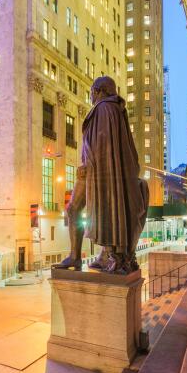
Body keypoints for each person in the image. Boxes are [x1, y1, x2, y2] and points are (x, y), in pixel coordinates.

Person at [55, 76, 149, 274]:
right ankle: (105, 253)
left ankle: (75, 257)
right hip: (102, 172)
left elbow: (99, 145)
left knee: (73, 209)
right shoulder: (116, 110)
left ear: (98, 91)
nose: (90, 96)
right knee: (82, 209)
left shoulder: (103, 109)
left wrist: (87, 166)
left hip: (94, 172)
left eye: (91, 91)